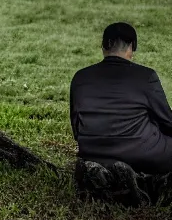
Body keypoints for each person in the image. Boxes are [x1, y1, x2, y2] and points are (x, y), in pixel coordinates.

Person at [70, 22, 172, 174]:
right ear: (132, 46)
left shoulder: (80, 77)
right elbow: (167, 120)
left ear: (103, 46)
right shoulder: (146, 76)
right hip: (142, 156)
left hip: (93, 154)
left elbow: (76, 126)